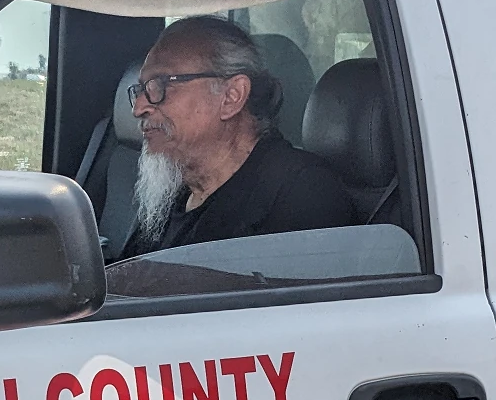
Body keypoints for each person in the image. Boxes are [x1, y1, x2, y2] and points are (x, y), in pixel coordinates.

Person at [119, 15, 355, 258]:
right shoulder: (172, 193)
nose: (138, 108)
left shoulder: (301, 194)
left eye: (160, 85)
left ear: (231, 96)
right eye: (141, 89)